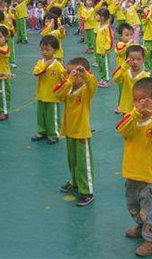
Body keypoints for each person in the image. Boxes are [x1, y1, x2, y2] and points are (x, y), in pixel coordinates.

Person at [116, 77, 152, 257]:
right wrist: (135, 112)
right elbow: (122, 130)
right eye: (135, 100)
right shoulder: (130, 119)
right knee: (133, 205)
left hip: (148, 178)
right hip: (131, 175)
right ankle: (141, 227)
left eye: (143, 101)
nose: (138, 104)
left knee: (151, 210)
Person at [55, 57, 97, 207]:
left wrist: (85, 74)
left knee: (83, 163)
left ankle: (87, 191)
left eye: (75, 73)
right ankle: (74, 182)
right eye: (68, 72)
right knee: (72, 160)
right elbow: (57, 95)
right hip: (69, 130)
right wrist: (69, 81)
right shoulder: (67, 88)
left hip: (81, 132)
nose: (70, 75)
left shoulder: (86, 91)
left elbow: (93, 84)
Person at [31, 35, 65, 144]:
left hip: (52, 97)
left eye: (47, 50)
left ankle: (53, 134)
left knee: (52, 117)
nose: (44, 52)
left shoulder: (58, 65)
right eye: (42, 49)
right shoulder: (40, 63)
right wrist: (44, 65)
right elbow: (36, 73)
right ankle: (42, 131)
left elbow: (64, 79)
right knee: (41, 115)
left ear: (55, 50)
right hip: (41, 95)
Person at [113, 45, 150, 114]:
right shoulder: (124, 73)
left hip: (138, 110)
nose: (135, 62)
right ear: (126, 60)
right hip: (125, 109)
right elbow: (115, 79)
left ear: (143, 60)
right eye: (132, 59)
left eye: (139, 59)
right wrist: (124, 66)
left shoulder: (145, 76)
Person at [95, 8, 113, 88]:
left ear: (102, 17)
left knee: (105, 65)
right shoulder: (99, 25)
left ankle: (107, 80)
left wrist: (106, 49)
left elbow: (109, 40)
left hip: (103, 51)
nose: (96, 17)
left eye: (97, 15)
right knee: (100, 65)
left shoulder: (107, 27)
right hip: (98, 50)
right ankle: (102, 78)